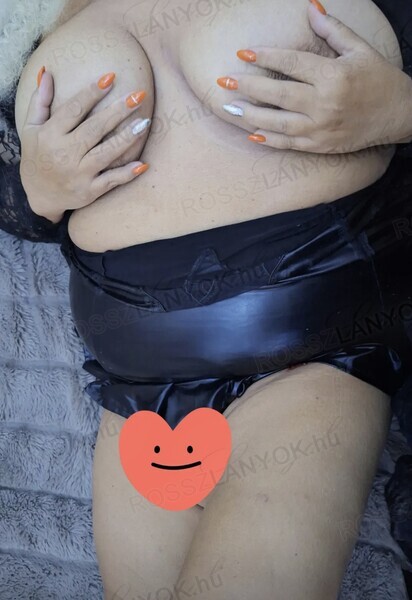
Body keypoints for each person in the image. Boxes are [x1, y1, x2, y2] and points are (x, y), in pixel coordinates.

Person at [2, 0, 412, 598]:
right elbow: (15, 198)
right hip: (138, 390)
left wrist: (400, 109)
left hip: (308, 359)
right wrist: (37, 187)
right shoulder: (27, 16)